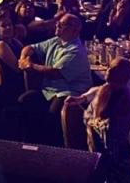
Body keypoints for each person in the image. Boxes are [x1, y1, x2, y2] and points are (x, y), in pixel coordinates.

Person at [17, 13, 92, 144]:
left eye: (62, 24)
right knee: (25, 100)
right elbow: (29, 47)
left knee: (53, 113)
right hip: (50, 91)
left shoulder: (76, 51)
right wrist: (23, 59)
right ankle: (29, 145)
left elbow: (55, 72)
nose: (57, 25)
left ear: (74, 31)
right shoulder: (56, 41)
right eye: (58, 22)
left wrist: (30, 65)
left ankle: (55, 148)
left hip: (70, 93)